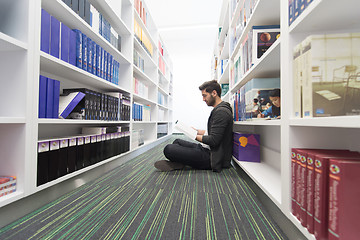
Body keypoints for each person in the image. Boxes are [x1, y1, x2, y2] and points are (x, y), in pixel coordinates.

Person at [154, 80, 233, 172]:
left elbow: (214, 140)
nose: (203, 99)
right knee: (177, 141)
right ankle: (181, 163)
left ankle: (181, 163)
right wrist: (197, 131)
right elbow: (215, 132)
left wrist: (193, 135)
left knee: (168, 149)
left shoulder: (221, 112)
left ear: (214, 93)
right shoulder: (219, 109)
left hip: (212, 157)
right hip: (206, 148)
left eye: (204, 96)